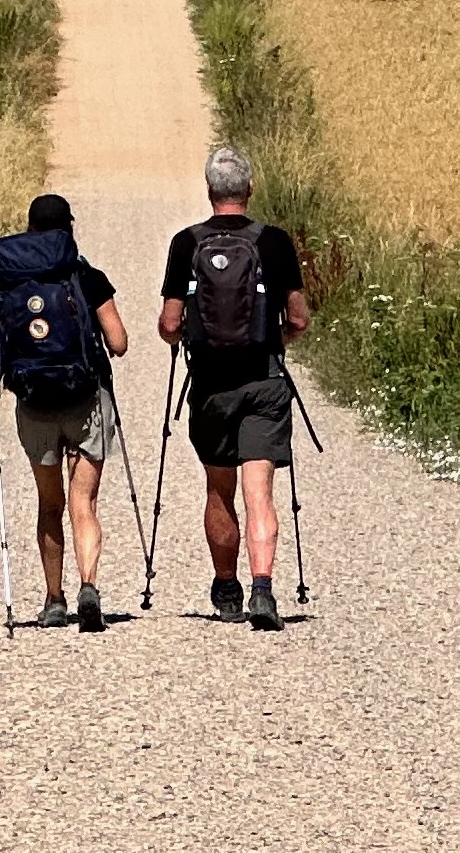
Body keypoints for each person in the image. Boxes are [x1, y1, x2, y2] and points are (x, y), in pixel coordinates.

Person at [158, 145, 309, 631]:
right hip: (263, 380)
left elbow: (169, 322)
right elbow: (300, 319)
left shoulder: (187, 243)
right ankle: (264, 587)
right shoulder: (275, 242)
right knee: (259, 491)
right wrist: (274, 339)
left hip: (211, 386)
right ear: (249, 189)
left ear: (210, 192)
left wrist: (186, 339)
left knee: (219, 489)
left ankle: (227, 589)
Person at [0, 192, 128, 632]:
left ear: (29, 230)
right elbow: (119, 342)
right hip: (83, 398)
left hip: (34, 403)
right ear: (69, 227)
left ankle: (53, 600)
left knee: (50, 504)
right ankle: (89, 585)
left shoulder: (10, 282)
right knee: (82, 502)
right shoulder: (87, 277)